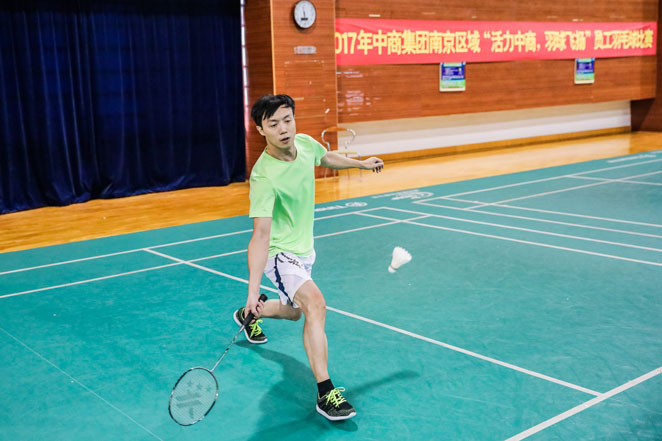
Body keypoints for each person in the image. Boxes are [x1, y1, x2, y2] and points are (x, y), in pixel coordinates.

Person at [234, 94, 384, 421]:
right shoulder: (263, 176)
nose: (283, 129)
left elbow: (324, 156)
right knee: (316, 303)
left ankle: (247, 315)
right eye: (274, 124)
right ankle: (325, 393)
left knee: (294, 313)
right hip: (279, 252)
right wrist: (252, 290)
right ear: (261, 130)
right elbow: (260, 236)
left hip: (304, 250)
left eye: (287, 120)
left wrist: (360, 163)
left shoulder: (303, 143)